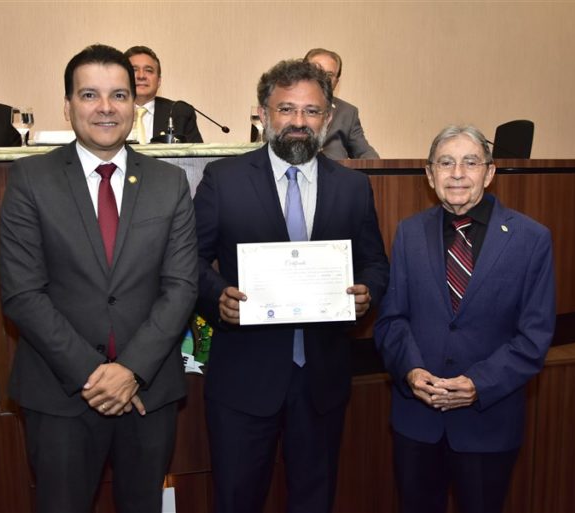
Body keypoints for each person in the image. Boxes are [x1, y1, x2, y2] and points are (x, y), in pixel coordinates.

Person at [0, 44, 198, 513]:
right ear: (67, 106)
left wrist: (130, 370)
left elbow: (182, 286)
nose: (106, 108)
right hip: (60, 394)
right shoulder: (30, 179)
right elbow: (23, 293)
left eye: (119, 95)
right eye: (90, 95)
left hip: (147, 391)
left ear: (135, 106)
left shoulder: (170, 183)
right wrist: (94, 377)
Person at [193, 59, 389, 512]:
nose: (299, 122)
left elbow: (377, 264)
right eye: (286, 109)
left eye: (312, 111)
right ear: (264, 114)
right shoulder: (223, 181)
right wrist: (216, 296)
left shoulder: (354, 188)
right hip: (243, 379)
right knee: (237, 499)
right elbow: (190, 262)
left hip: (321, 380)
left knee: (314, 500)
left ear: (328, 117)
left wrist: (368, 292)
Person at [374, 125, 556, 513]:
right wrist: (409, 371)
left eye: (470, 162)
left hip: (487, 422)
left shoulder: (531, 238)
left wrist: (478, 383)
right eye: (446, 162)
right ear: (429, 174)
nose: (457, 173)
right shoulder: (408, 233)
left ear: (489, 173)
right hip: (417, 421)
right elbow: (392, 319)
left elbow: (534, 337)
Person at [304, 48, 379, 160]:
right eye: (316, 70)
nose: (322, 78)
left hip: (334, 174)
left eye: (329, 75)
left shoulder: (347, 112)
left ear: (336, 82)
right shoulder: (285, 107)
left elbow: (366, 153)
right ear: (301, 72)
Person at [123, 45, 203, 144]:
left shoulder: (180, 113)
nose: (141, 76)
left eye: (148, 71)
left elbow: (196, 157)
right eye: (134, 70)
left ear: (159, 81)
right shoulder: (109, 111)